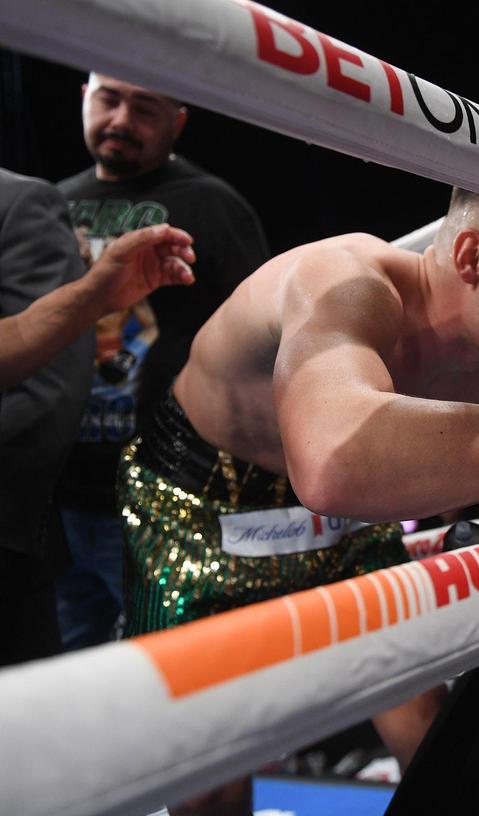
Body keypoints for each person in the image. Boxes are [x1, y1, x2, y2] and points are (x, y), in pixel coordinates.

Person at [119, 116, 479, 813]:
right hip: (198, 506)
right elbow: (333, 461)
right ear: (473, 256)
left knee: (438, 739)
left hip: (342, 521)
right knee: (211, 782)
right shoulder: (343, 281)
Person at [53, 73, 270, 651]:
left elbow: (266, 345)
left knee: (191, 674)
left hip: (170, 492)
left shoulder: (213, 205)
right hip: (54, 496)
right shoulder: (48, 206)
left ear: (177, 119)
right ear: (84, 99)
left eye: (144, 106)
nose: (122, 119)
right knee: (73, 689)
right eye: (109, 99)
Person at [0, 166, 194, 667]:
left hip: (139, 487)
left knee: (158, 663)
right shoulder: (62, 195)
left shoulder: (20, 202)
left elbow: (42, 389)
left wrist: (93, 297)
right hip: (67, 506)